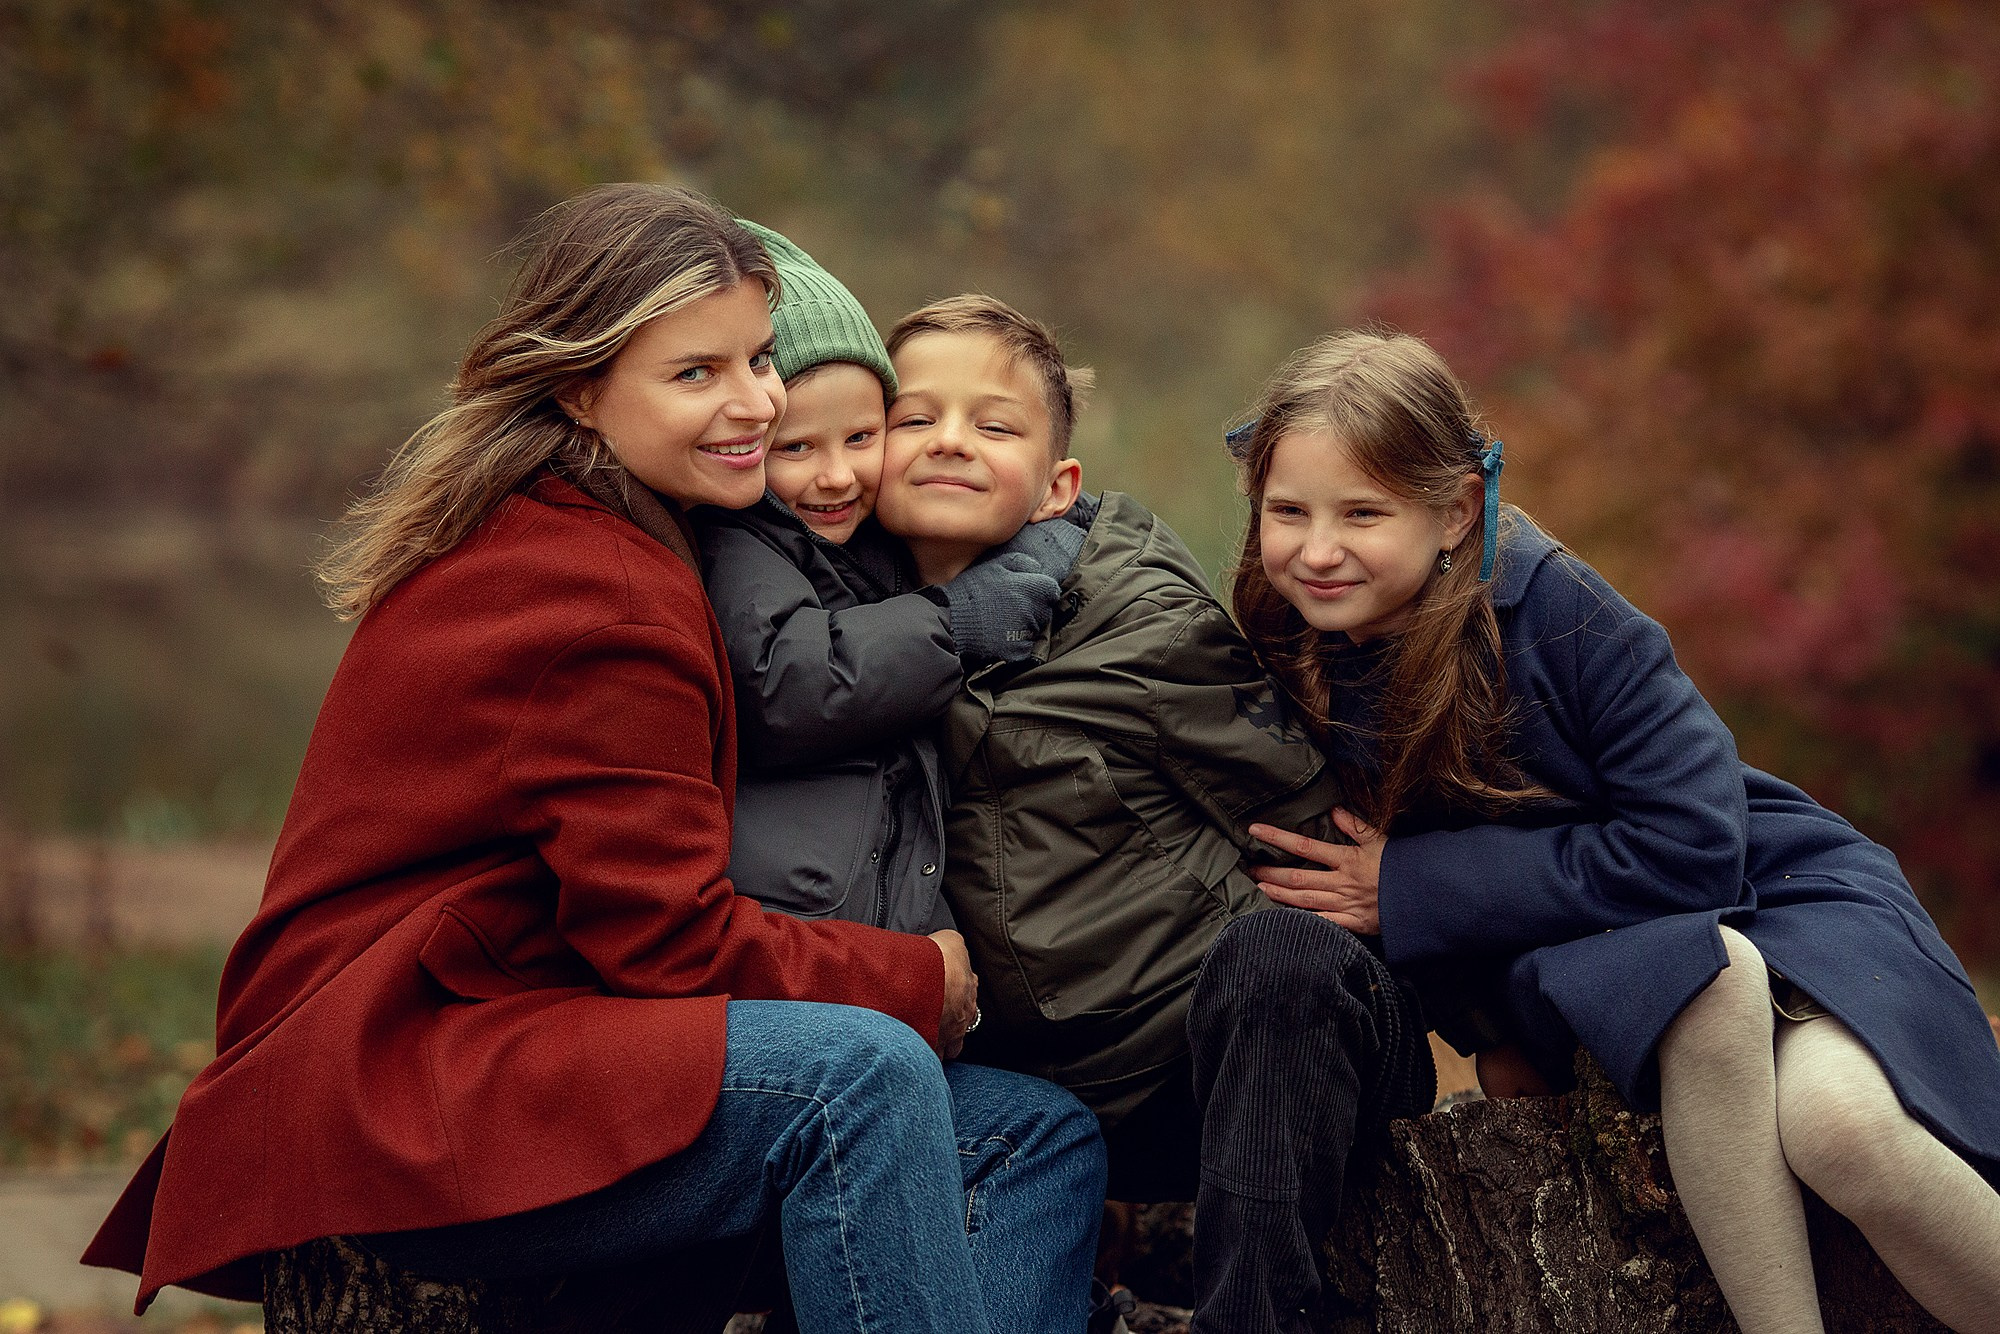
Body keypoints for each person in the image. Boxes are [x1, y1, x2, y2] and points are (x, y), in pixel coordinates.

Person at [80, 184, 1106, 1334]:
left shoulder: (584, 519)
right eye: (696, 374)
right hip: (407, 1086)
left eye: (759, 359)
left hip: (509, 1032)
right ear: (580, 384)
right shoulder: (596, 597)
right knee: (859, 1073)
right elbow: (670, 941)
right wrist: (919, 977)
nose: (757, 403)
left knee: (1030, 1128)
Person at [1229, 329, 2000, 1334]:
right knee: (1725, 1013)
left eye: (1361, 513)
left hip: (1773, 901)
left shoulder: (1557, 607)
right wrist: (1486, 1026)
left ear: (1455, 508)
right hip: (1617, 950)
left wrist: (1416, 887)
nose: (1315, 548)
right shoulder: (1290, 646)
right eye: (1286, 511)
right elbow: (1352, 871)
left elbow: (1689, 846)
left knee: (1844, 1129)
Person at [870, 295, 1357, 1226]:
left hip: (1196, 1060)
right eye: (915, 418)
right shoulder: (846, 634)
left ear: (1057, 487)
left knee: (1282, 958)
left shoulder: (1136, 623)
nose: (950, 440)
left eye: (995, 425)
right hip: (1024, 1083)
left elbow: (1291, 800)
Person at [693, 222, 1062, 933]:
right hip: (797, 931)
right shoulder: (738, 543)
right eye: (794, 447)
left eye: (862, 438)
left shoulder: (869, 545)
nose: (836, 476)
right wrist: (955, 619)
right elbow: (781, 683)